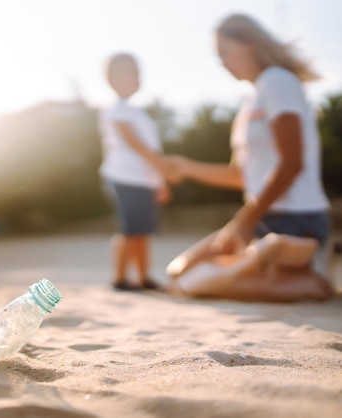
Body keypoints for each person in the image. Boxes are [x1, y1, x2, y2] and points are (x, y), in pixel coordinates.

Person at [163, 13, 333, 301]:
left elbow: (292, 163)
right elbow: (241, 175)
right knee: (181, 273)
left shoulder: (278, 82)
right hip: (263, 218)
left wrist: (243, 220)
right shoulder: (249, 104)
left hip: (298, 218)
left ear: (250, 43)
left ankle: (301, 271)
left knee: (199, 281)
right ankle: (287, 272)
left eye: (225, 52)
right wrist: (187, 167)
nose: (222, 62)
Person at [99, 52, 171, 291]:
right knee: (130, 228)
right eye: (134, 73)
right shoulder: (116, 108)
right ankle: (119, 278)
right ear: (115, 78)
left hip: (144, 179)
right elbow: (132, 142)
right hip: (125, 177)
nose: (139, 79)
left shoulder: (135, 110)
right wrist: (163, 166)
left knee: (143, 229)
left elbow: (148, 147)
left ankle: (143, 276)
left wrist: (159, 181)